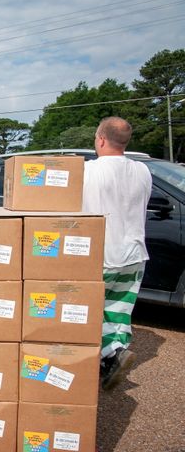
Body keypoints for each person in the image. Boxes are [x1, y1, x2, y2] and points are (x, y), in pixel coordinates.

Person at [82, 117, 152, 391]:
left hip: (102, 254)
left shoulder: (89, 171)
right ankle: (116, 354)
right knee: (119, 311)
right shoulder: (143, 171)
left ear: (100, 139)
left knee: (89, 313)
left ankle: (104, 359)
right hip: (134, 254)